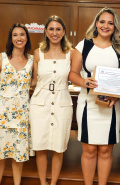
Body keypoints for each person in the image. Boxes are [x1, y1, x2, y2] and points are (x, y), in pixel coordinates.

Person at [69, 7, 120, 185]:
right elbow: (72, 73)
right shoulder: (84, 45)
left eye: (110, 23)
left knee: (105, 150)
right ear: (96, 23)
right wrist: (83, 82)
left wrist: (116, 97)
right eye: (102, 22)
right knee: (88, 150)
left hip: (111, 107)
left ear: (115, 26)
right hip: (88, 104)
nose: (105, 26)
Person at [29, 15, 73, 185]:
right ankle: (42, 182)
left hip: (62, 103)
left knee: (58, 148)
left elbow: (76, 75)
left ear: (64, 32)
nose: (55, 33)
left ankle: (53, 183)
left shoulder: (71, 53)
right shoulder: (37, 53)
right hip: (40, 104)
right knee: (40, 147)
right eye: (51, 29)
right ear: (45, 32)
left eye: (58, 29)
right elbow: (33, 80)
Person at [0, 23, 34, 185]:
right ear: (10, 38)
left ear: (27, 38)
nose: (19, 38)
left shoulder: (32, 61)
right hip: (1, 114)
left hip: (21, 113)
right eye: (15, 35)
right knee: (0, 154)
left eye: (22, 34)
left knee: (18, 154)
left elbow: (34, 83)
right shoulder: (2, 58)